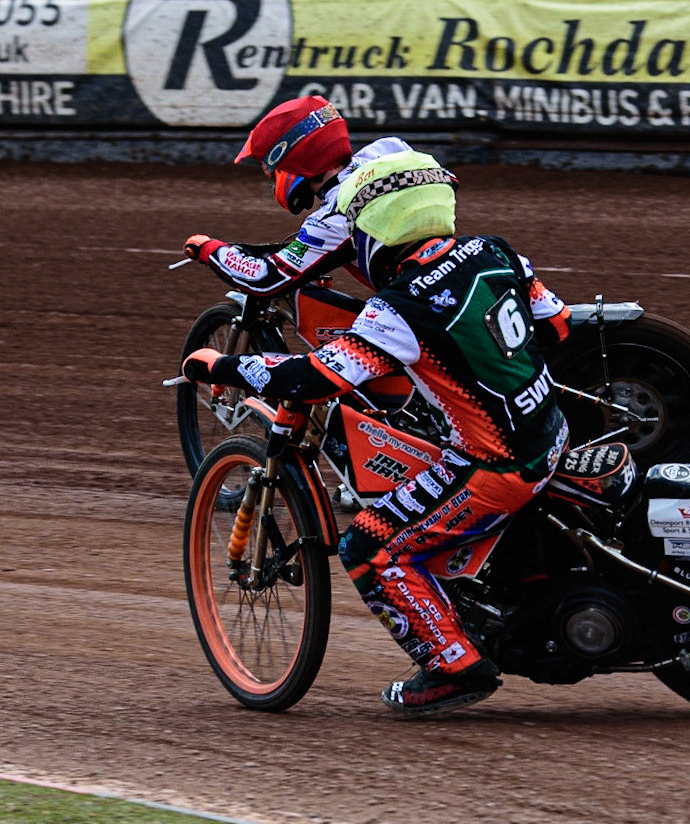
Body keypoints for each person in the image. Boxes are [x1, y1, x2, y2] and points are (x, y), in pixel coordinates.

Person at [181, 149, 573, 717]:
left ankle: (453, 666)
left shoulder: (399, 306)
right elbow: (557, 327)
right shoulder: (495, 250)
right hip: (553, 429)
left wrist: (219, 367)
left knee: (367, 546)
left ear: (377, 226)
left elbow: (311, 378)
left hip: (498, 468)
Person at [180, 94, 414, 297]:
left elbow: (266, 280)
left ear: (291, 156)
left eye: (270, 167)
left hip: (417, 311)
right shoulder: (391, 150)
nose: (273, 177)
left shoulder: (333, 216)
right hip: (447, 272)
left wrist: (211, 250)